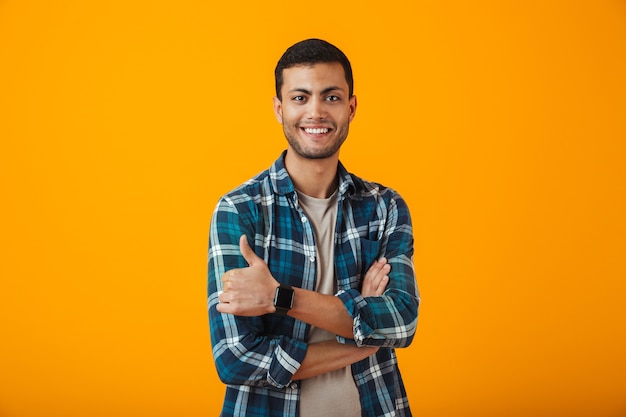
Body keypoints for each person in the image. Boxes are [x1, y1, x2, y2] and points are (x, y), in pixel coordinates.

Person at [208, 38, 420, 417]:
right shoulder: (240, 210)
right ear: (279, 108)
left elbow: (402, 322)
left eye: (332, 97)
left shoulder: (385, 206)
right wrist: (366, 339)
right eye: (301, 98)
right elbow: (235, 359)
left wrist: (280, 297)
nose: (317, 112)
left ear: (352, 107)